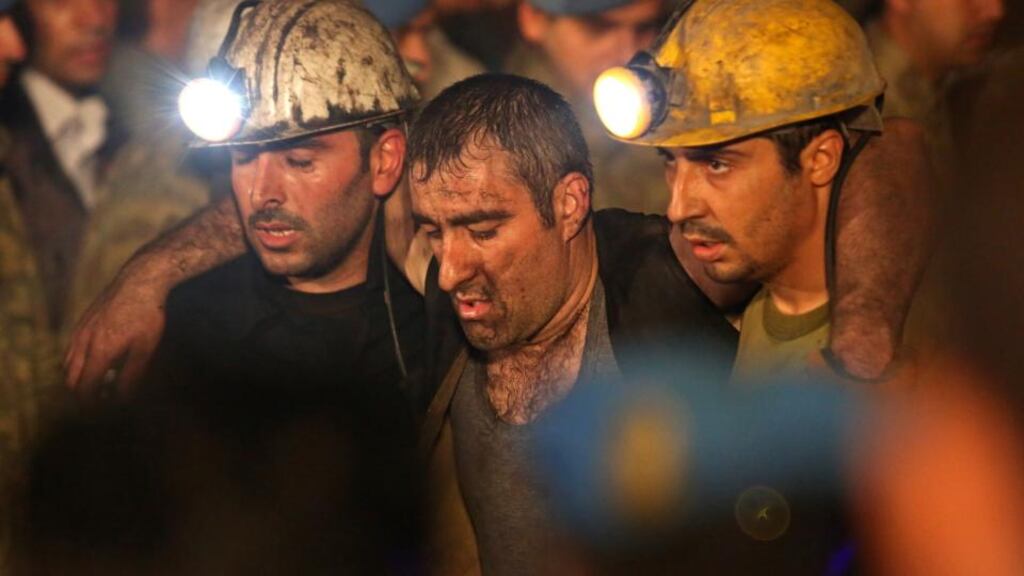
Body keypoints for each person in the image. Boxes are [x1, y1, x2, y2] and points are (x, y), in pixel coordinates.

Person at [592, 0, 933, 383]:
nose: (678, 207)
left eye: (717, 164)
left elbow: (899, 143)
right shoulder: (763, 311)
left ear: (820, 158)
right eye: (670, 161)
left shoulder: (912, 343)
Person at [507, 0, 669, 213]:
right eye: (599, 29)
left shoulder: (669, 106)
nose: (628, 54)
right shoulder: (499, 137)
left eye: (645, 28)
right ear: (534, 17)